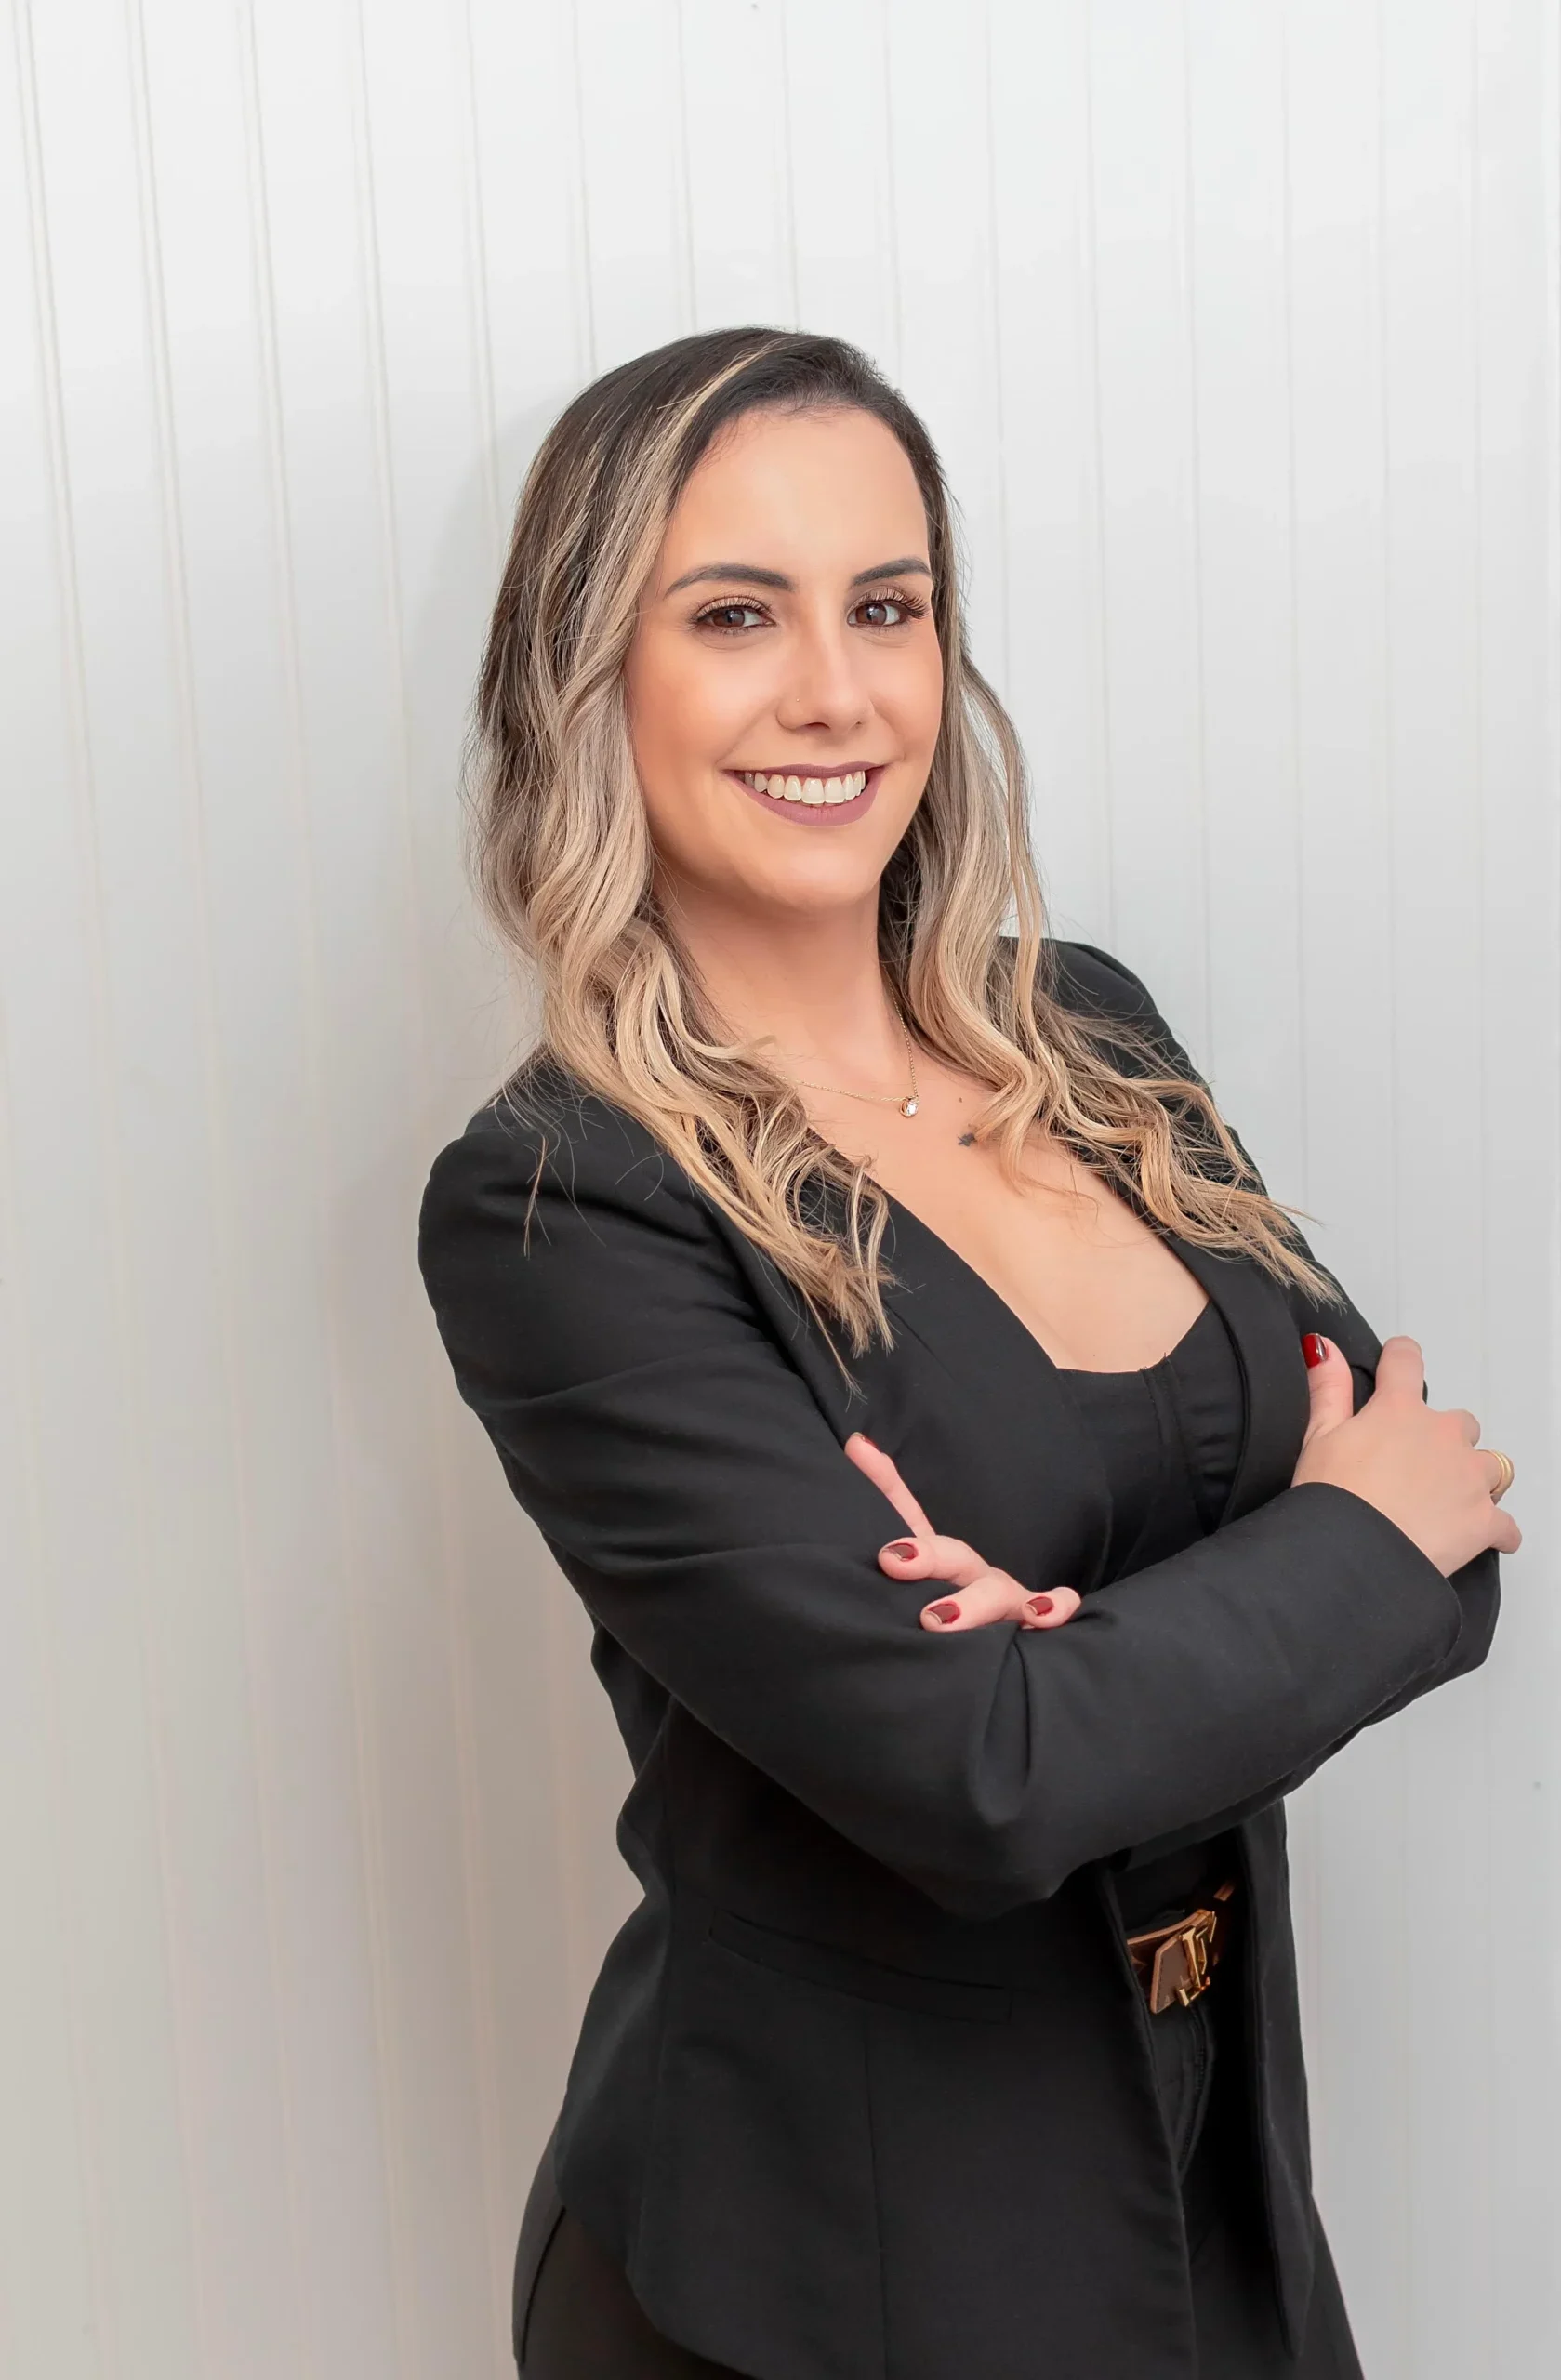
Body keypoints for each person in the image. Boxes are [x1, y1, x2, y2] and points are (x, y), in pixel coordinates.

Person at [417, 328, 1518, 2380]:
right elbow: (985, 1781)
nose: (834, 691)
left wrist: (1082, 1652)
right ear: (589, 676)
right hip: (826, 2267)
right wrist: (1260, 1579)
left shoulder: (1084, 1028)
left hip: (1212, 2180)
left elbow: (1441, 1531)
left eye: (887, 605)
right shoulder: (566, 1203)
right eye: (732, 613)